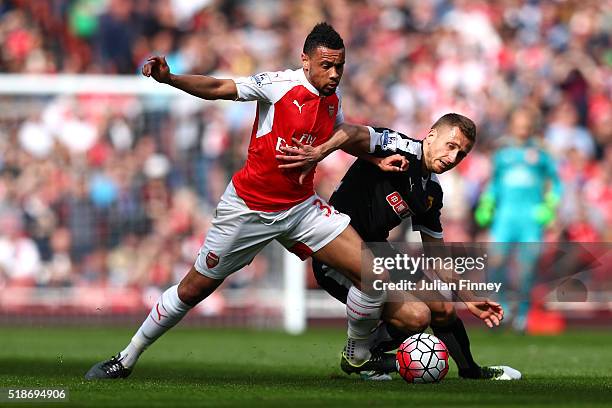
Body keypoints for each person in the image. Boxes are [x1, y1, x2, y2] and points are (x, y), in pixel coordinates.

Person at [85, 22, 390, 379]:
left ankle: (358, 356)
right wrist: (170, 79)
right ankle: (126, 358)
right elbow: (220, 87)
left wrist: (375, 158)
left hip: (300, 209)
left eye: (339, 66)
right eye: (327, 65)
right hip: (249, 209)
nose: (334, 73)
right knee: (193, 289)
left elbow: (343, 135)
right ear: (305, 61)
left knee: (376, 273)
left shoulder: (332, 100)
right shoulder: (279, 86)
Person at [277, 113, 520, 380]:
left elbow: (437, 258)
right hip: (338, 252)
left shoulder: (432, 193)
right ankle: (360, 357)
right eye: (451, 146)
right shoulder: (398, 146)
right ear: (431, 135)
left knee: (444, 307)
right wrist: (318, 153)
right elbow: (351, 133)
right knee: (417, 317)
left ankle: (471, 372)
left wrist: (470, 298)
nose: (453, 158)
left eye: (461, 154)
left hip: (379, 252)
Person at [475, 108, 562, 332]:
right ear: (512, 124)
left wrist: (549, 207)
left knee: (526, 267)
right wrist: (487, 202)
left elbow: (556, 184)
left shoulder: (541, 154)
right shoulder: (502, 153)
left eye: (526, 123)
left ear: (531, 125)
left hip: (530, 219)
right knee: (496, 262)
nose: (522, 127)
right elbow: (493, 183)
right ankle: (501, 309)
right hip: (505, 217)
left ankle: (522, 313)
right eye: (519, 122)